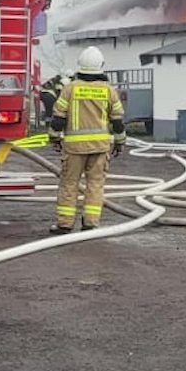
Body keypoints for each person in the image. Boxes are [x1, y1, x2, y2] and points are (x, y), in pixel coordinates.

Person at [47, 45, 125, 234]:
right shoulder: (109, 90)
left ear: (80, 65)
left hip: (74, 148)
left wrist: (54, 138)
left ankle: (65, 224)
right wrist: (119, 142)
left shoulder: (70, 89)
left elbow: (58, 118)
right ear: (101, 66)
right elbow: (117, 120)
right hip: (100, 147)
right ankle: (90, 223)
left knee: (69, 184)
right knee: (95, 185)